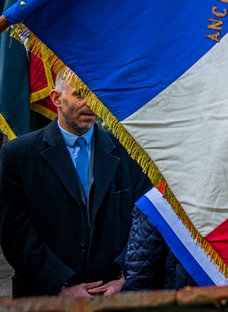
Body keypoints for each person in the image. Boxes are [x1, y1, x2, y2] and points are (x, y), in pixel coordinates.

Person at [0, 70, 148, 297]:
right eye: (80, 95)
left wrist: (125, 279)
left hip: (117, 298)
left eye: (95, 94)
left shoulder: (129, 151)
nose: (91, 104)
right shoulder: (18, 155)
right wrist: (58, 286)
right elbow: (16, 233)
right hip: (45, 302)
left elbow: (144, 222)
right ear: (56, 98)